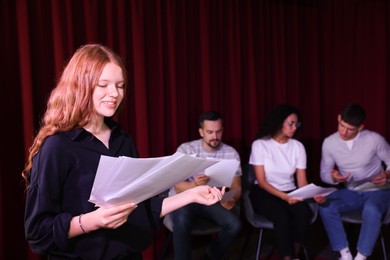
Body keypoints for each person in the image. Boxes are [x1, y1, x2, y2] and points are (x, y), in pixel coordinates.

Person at [22, 44, 225, 260]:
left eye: (120, 86)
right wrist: (93, 221)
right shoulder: (57, 147)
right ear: (80, 86)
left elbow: (142, 208)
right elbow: (38, 232)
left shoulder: (122, 140)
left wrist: (192, 195)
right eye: (103, 85)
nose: (114, 94)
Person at [317, 103, 390, 260]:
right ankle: (345, 254)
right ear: (338, 118)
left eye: (350, 129)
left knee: (372, 210)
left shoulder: (374, 139)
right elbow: (324, 173)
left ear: (360, 127)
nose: (344, 132)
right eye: (342, 125)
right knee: (325, 205)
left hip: (377, 190)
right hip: (352, 192)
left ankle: (361, 257)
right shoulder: (329, 143)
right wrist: (333, 178)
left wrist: (388, 174)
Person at [168, 111, 242, 260]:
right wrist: (195, 184)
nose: (215, 136)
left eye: (218, 131)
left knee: (235, 225)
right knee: (181, 221)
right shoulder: (186, 149)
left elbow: (237, 187)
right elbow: (177, 186)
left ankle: (211, 255)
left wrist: (229, 198)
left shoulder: (230, 153)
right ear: (201, 132)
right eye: (210, 132)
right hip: (185, 198)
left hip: (212, 199)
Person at [248, 104, 314, 260]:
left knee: (304, 212)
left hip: (290, 191)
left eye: (296, 124)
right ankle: (287, 257)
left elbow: (302, 182)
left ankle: (294, 254)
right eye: (291, 123)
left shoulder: (298, 147)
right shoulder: (260, 145)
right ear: (279, 122)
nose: (294, 128)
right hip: (264, 192)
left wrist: (314, 194)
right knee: (282, 216)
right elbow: (262, 181)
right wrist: (284, 197)